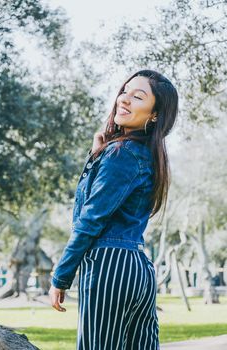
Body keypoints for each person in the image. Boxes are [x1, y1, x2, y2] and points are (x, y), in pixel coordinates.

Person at [49, 69, 179, 349]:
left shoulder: (122, 154)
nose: (124, 99)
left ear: (154, 114)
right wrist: (97, 155)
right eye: (125, 91)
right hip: (138, 268)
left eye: (138, 96)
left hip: (108, 266)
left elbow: (90, 219)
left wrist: (61, 276)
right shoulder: (146, 154)